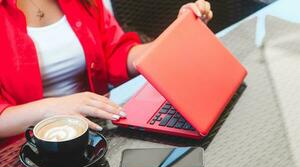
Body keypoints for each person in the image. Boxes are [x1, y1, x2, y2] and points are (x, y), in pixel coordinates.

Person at [0, 0, 212, 140]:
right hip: (24, 155)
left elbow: (114, 53)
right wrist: (51, 109)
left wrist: (175, 35)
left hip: (96, 133)